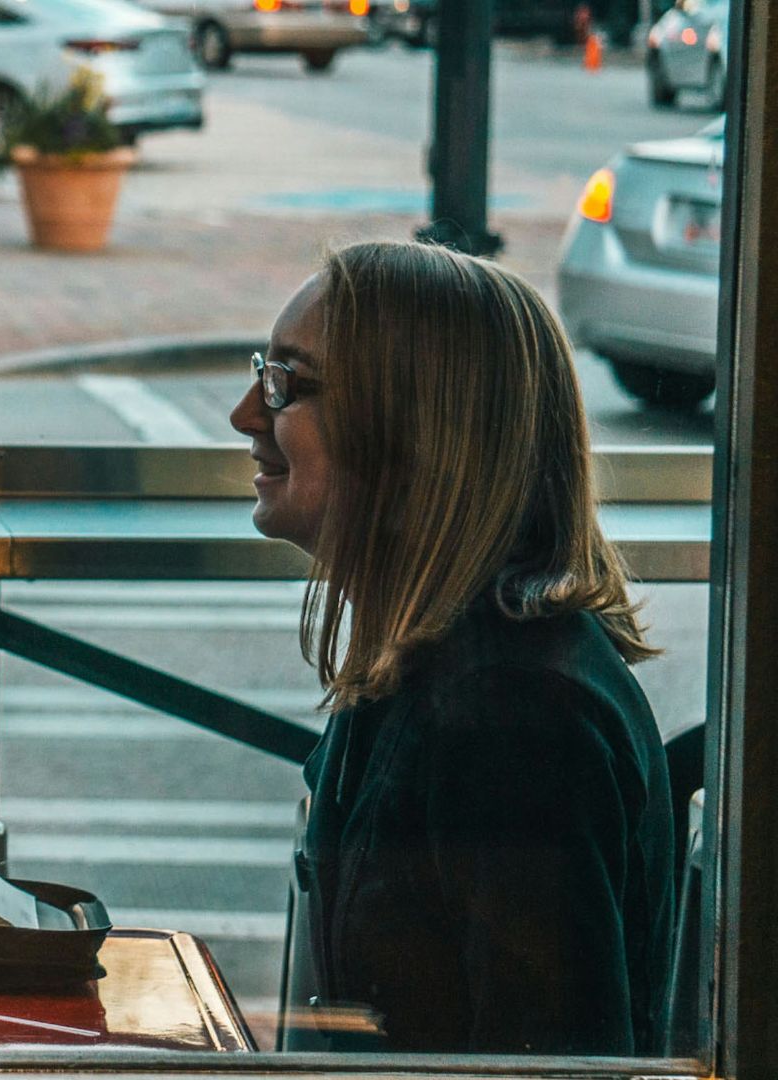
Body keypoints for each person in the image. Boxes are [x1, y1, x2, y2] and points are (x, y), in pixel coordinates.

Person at [232, 241, 676, 1055]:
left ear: (411, 426)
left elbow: (552, 1065)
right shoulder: (449, 657)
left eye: (284, 385)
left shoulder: (511, 718)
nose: (247, 416)